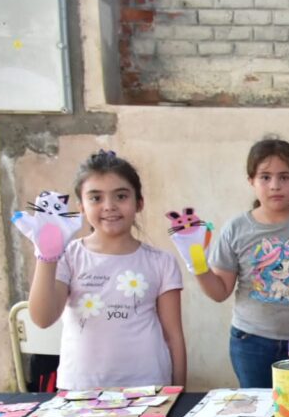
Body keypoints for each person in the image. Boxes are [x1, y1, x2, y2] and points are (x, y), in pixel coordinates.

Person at [21, 150, 186, 390]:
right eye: (96, 198)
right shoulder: (67, 256)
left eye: (121, 196)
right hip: (80, 390)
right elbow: (43, 318)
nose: (109, 206)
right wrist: (46, 256)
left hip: (150, 389)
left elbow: (174, 338)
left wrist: (178, 392)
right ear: (81, 207)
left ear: (139, 202)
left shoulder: (162, 262)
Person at [190, 137, 289, 388]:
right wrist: (196, 262)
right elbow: (219, 291)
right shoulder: (237, 228)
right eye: (265, 177)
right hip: (251, 342)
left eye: (285, 177)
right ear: (251, 181)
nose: (275, 186)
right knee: (259, 415)